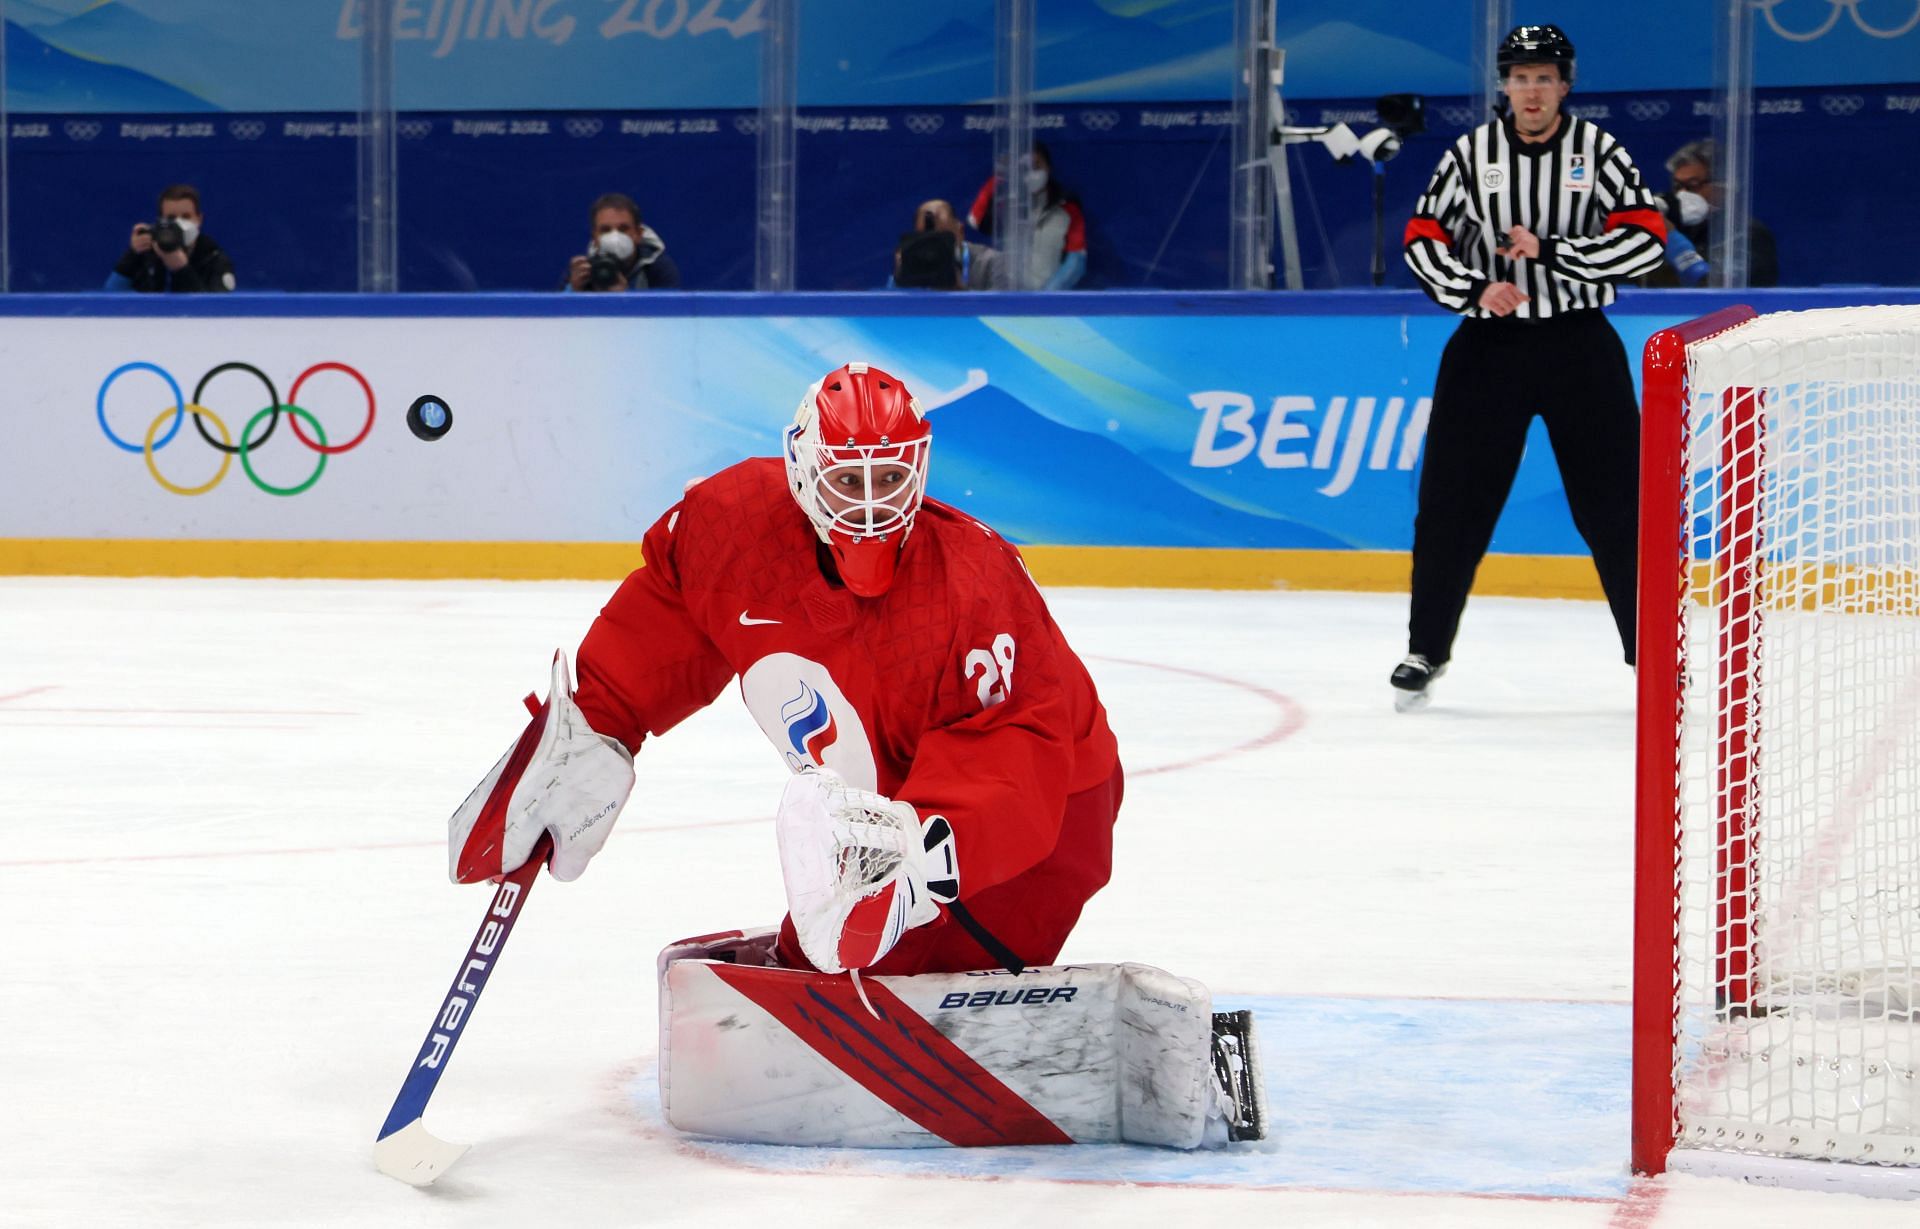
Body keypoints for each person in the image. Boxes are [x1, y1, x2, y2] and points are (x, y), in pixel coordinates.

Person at [442, 362, 1264, 1148]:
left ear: (920, 470)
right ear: (803, 468)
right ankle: (864, 930)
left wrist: (917, 854)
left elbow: (1016, 754)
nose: (870, 505)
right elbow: (670, 613)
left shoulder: (971, 583)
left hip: (1036, 833)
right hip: (898, 808)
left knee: (851, 971)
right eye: (848, 480)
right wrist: (591, 727)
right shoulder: (732, 525)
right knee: (826, 957)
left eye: (889, 479)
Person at [1395, 24, 1666, 711]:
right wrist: (1474, 289)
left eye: (1544, 77)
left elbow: (1646, 242)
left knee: (1617, 508)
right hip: (1488, 348)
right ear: (1505, 87)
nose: (1532, 90)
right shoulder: (1471, 153)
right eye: (1520, 78)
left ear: (1565, 86)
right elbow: (1423, 237)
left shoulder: (1598, 151)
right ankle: (1425, 648)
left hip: (1579, 344)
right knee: (1451, 504)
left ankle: (1652, 655)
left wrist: (1554, 252)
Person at [966, 142, 1087, 290]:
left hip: (1049, 300)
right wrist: (1000, 177)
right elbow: (974, 219)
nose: (1032, 173)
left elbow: (1076, 261)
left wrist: (1049, 294)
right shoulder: (1006, 203)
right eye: (1024, 169)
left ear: (1049, 168)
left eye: (1037, 166)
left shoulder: (1067, 207)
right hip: (1008, 295)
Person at [1661, 139, 1779, 287]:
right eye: (1678, 186)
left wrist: (1676, 247)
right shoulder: (1677, 229)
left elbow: (1720, 289)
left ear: (1724, 185)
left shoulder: (1748, 234)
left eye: (1693, 185)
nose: (1682, 194)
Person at [105, 184, 235, 293]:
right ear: (160, 220)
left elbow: (214, 311)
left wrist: (181, 269)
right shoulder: (148, 252)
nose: (179, 224)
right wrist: (132, 254)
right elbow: (111, 293)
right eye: (171, 218)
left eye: (186, 217)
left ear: (199, 219)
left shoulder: (214, 258)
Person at [564, 192, 680, 291]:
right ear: (594, 237)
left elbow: (668, 313)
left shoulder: (658, 268)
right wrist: (573, 290)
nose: (615, 236)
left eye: (623, 229)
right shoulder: (583, 271)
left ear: (638, 234)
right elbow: (558, 314)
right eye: (605, 230)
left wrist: (625, 299)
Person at [891, 199, 1005, 290]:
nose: (934, 248)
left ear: (960, 231)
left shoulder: (993, 263)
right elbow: (890, 311)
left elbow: (1001, 313)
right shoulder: (912, 264)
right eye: (926, 239)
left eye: (943, 238)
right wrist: (899, 278)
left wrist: (960, 291)